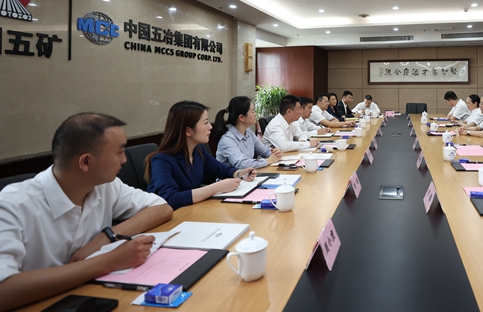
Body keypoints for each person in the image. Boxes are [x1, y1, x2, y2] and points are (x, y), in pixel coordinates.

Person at [0, 113, 173, 311]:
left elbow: (162, 208)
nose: (125, 159)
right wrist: (110, 260)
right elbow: (3, 290)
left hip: (89, 298)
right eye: (119, 152)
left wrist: (105, 238)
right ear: (86, 162)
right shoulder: (12, 205)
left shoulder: (104, 186)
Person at [146, 101, 256, 210]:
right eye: (205, 122)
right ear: (188, 131)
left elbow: (220, 169)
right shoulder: (161, 160)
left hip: (192, 211)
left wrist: (240, 173)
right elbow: (170, 199)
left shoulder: (198, 151)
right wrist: (217, 187)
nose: (210, 127)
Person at [214, 96, 283, 169]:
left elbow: (263, 151)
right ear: (241, 117)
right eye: (252, 112)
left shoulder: (248, 132)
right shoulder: (227, 139)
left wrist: (275, 153)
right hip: (232, 176)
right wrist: (268, 161)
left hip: (248, 174)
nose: (255, 114)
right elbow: (242, 164)